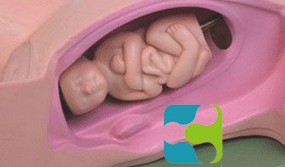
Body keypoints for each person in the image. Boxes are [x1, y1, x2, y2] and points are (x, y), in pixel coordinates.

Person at [59, 13, 212, 115]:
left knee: (152, 34)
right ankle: (191, 48)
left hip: (166, 42)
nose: (88, 88)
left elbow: (132, 39)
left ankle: (192, 49)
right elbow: (155, 91)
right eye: (86, 100)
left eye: (79, 81)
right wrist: (144, 84)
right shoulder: (119, 93)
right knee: (173, 82)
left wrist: (132, 73)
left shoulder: (102, 52)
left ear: (81, 61)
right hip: (173, 67)